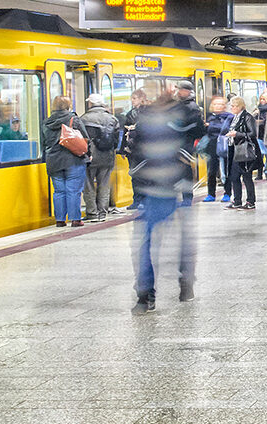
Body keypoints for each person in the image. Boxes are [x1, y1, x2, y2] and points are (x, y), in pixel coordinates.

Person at [128, 86, 197, 313]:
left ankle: (150, 294)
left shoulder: (184, 115)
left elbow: (197, 140)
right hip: (160, 189)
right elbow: (136, 149)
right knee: (180, 240)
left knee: (148, 243)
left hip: (170, 188)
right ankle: (152, 291)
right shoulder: (151, 118)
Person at [41, 95, 89, 227]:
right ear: (69, 106)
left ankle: (60, 220)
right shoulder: (74, 119)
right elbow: (85, 139)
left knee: (59, 191)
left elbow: (44, 142)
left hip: (53, 161)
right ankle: (75, 219)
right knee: (73, 190)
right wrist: (88, 154)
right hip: (73, 159)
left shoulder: (46, 122)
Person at [79, 95, 121, 223]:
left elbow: (81, 139)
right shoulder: (112, 118)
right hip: (107, 157)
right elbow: (116, 140)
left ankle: (92, 212)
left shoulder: (84, 118)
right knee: (104, 184)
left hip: (89, 157)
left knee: (88, 185)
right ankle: (103, 212)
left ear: (90, 103)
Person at [225, 96, 260, 211]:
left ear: (240, 106)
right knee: (234, 177)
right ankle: (237, 201)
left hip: (244, 151)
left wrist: (237, 134)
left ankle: (251, 201)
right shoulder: (234, 118)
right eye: (231, 106)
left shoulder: (247, 117)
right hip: (234, 150)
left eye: (234, 106)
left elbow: (252, 133)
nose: (232, 108)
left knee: (247, 177)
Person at [174, 81, 204, 205]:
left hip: (185, 143)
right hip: (178, 143)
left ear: (187, 91)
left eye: (180, 89)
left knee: (185, 171)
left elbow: (196, 127)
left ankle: (187, 198)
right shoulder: (180, 105)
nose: (178, 92)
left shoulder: (191, 107)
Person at [203, 96, 233, 203]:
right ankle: (211, 194)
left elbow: (225, 129)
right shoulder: (211, 117)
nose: (217, 106)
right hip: (212, 146)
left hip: (224, 146)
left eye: (220, 104)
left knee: (225, 170)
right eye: (215, 104)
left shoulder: (229, 117)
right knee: (211, 171)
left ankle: (227, 193)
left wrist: (211, 126)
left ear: (224, 106)